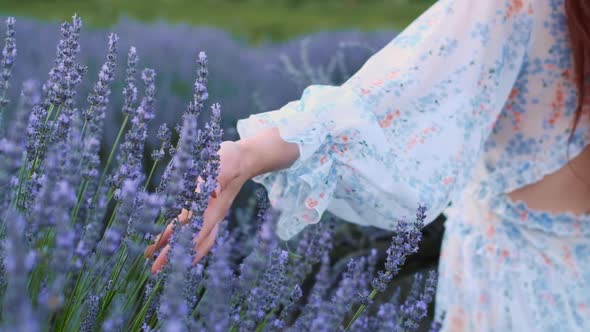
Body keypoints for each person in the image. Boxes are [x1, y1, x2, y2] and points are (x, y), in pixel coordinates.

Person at [145, 0, 590, 330]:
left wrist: (247, 154)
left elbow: (388, 105)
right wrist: (245, 154)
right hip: (528, 286)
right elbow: (386, 103)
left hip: (532, 283)